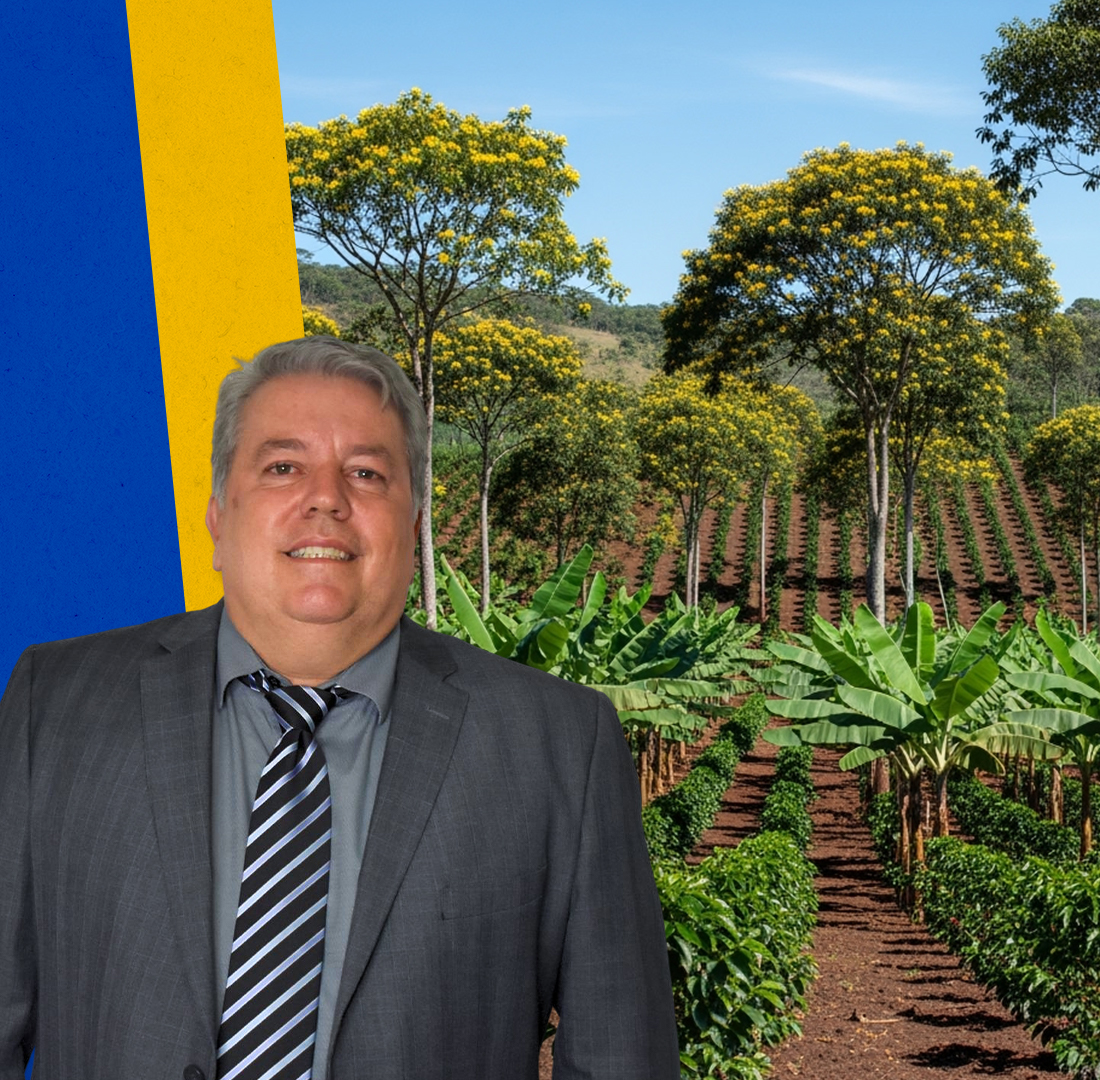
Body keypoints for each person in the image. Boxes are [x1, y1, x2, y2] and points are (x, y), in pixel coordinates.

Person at [0, 336, 679, 1080]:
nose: (326, 497)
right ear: (219, 515)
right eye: (283, 466)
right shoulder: (56, 703)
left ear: (414, 525)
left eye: (365, 472)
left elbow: (622, 1057)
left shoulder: (557, 743)